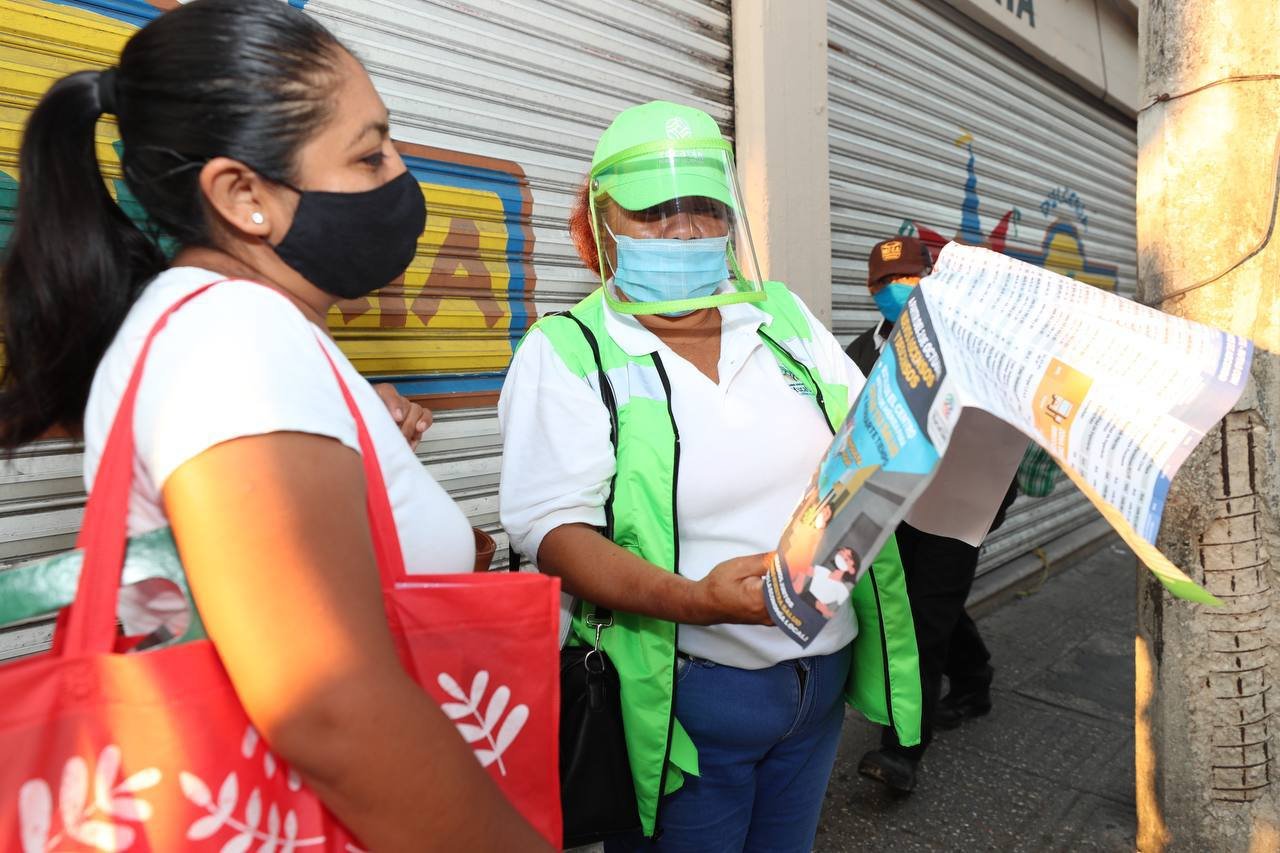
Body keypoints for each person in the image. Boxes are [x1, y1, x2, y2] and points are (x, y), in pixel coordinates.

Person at [0, 1, 548, 849]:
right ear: (244, 196)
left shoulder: (234, 328)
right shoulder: (234, 335)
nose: (400, 176)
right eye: (369, 155)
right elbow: (328, 708)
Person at [498, 100, 920, 852]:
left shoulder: (781, 317)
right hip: (686, 696)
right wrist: (694, 601)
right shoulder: (567, 351)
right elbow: (553, 532)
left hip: (819, 685)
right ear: (598, 225)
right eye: (654, 211)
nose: (686, 230)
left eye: (704, 207)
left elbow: (871, 436)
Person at [847, 236, 1010, 793]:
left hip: (956, 507)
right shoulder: (858, 354)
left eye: (913, 278)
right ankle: (974, 681)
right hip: (892, 505)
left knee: (921, 620)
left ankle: (902, 751)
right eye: (887, 282)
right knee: (926, 604)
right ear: (871, 290)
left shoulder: (973, 347)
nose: (901, 289)